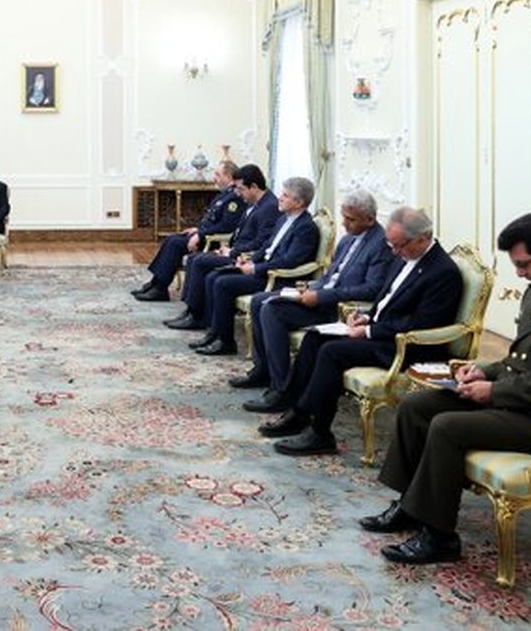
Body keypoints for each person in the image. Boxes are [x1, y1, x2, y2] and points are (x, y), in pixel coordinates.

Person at [362, 212, 531, 565]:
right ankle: (409, 505)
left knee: (447, 427)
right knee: (417, 407)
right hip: (519, 401)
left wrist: (494, 392)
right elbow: (521, 360)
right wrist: (483, 371)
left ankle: (439, 538)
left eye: (523, 264)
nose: (520, 274)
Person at [263, 207, 463, 456]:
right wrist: (366, 317)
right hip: (383, 333)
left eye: (399, 246)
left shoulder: (443, 272)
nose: (394, 252)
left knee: (332, 352)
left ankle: (320, 433)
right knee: (315, 337)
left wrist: (369, 330)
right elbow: (387, 301)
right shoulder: (404, 256)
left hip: (407, 347)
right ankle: (297, 410)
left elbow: (421, 323)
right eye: (391, 245)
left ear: (422, 239)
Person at [240, 189, 391, 409]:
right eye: (344, 217)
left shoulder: (380, 244)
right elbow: (331, 276)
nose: (344, 224)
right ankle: (264, 371)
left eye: (351, 219)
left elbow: (371, 289)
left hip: (336, 309)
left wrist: (320, 296)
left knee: (271, 311)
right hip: (320, 296)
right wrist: (309, 289)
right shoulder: (347, 239)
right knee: (259, 300)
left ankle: (281, 390)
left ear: (370, 219)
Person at [191, 177, 321, 356]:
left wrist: (255, 268)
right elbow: (267, 246)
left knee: (222, 283)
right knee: (214, 276)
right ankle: (215, 334)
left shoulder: (306, 228)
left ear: (299, 203)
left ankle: (225, 342)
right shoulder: (283, 220)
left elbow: (289, 261)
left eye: (285, 195)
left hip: (278, 278)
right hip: (263, 270)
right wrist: (250, 260)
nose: (279, 198)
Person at [164, 164, 280, 334]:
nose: (238, 193)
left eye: (241, 189)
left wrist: (232, 252)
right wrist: (227, 248)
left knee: (200, 261)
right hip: (236, 251)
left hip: (244, 257)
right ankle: (193, 311)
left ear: (254, 187)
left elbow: (260, 242)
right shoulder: (255, 202)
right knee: (196, 259)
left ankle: (197, 315)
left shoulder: (269, 207)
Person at [132, 159, 246, 302]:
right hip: (205, 235)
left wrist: (200, 234)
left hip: (214, 241)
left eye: (218, 174)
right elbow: (213, 220)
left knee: (175, 244)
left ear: (228, 177)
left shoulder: (234, 198)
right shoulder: (225, 195)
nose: (214, 178)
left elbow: (226, 227)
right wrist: (197, 229)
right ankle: (156, 283)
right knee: (171, 239)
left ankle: (160, 288)